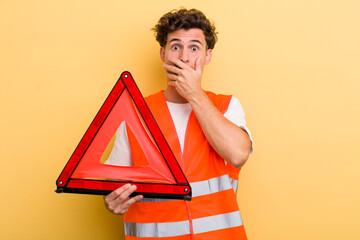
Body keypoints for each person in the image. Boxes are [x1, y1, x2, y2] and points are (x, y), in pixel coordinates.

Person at [104, 8, 253, 240]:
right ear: (163, 54)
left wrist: (194, 95)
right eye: (176, 47)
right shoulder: (135, 113)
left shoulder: (227, 106)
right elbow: (113, 186)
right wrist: (112, 201)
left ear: (207, 56)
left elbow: (238, 154)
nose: (184, 57)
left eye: (194, 48)